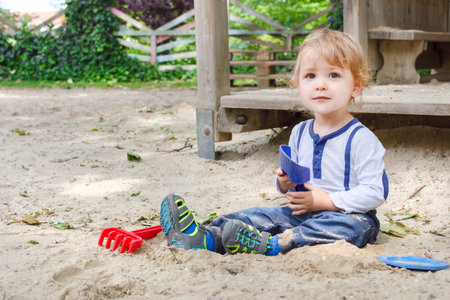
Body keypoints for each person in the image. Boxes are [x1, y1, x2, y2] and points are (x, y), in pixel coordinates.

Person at [160, 28, 389, 256]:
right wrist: (284, 183)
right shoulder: (299, 132)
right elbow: (295, 183)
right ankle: (206, 237)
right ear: (298, 85)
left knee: (356, 228)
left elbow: (375, 192)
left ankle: (276, 244)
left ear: (356, 86)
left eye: (334, 75)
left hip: (346, 215)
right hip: (300, 212)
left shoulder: (361, 139)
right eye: (310, 76)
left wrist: (327, 200)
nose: (320, 84)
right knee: (257, 215)